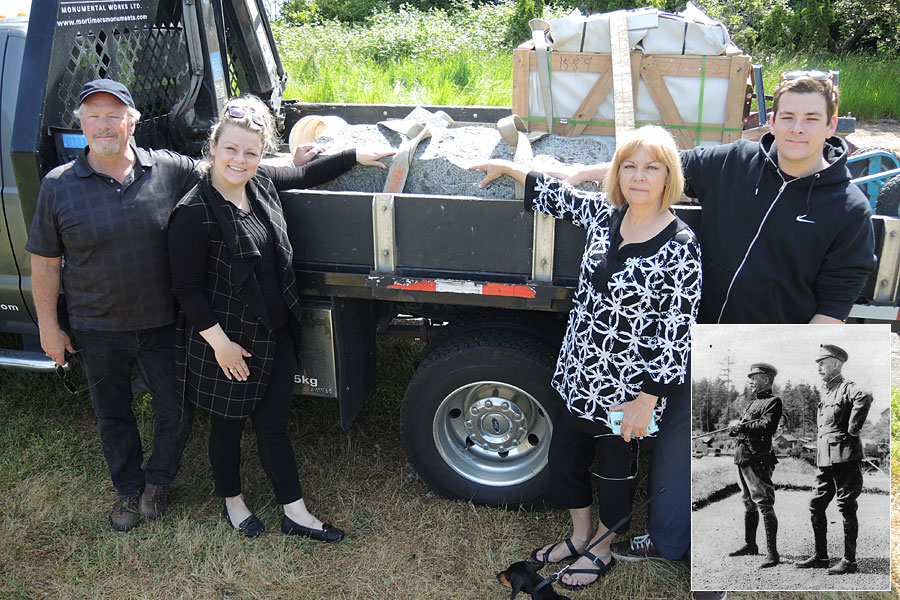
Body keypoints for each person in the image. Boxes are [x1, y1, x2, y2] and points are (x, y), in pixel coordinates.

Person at [546, 72, 876, 565]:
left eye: (811, 119)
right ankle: (675, 543)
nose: (797, 129)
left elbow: (833, 308)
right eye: (787, 116)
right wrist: (585, 174)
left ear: (832, 126)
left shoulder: (847, 209)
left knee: (752, 470)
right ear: (771, 119)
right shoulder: (734, 163)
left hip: (754, 350)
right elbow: (658, 165)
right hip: (690, 347)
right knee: (678, 473)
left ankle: (739, 561)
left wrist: (785, 370)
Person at [26, 79, 330, 532]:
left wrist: (289, 159)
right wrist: (50, 328)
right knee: (114, 413)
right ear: (82, 124)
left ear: (132, 122)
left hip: (163, 324)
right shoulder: (58, 185)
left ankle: (159, 482)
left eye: (114, 116)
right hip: (97, 326)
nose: (104, 125)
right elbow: (46, 264)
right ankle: (129, 491)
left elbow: (231, 163)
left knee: (176, 410)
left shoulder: (166, 168)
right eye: (94, 116)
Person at [471, 125, 701, 590]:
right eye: (630, 166)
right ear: (617, 173)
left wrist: (647, 400)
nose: (639, 177)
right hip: (579, 375)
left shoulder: (681, 247)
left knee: (615, 472)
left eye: (651, 167)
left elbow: (677, 335)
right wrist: (511, 168)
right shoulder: (605, 215)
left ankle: (603, 548)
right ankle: (579, 535)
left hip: (629, 392)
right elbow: (554, 195)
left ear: (668, 176)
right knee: (566, 460)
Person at [168, 95, 393, 540]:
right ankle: (232, 502)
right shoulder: (193, 214)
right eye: (231, 149)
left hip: (275, 333)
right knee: (228, 427)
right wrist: (221, 345)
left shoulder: (260, 183)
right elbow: (186, 290)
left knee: (273, 426)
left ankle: (295, 513)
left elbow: (305, 173)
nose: (240, 159)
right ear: (213, 145)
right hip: (228, 342)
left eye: (251, 152)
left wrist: (356, 155)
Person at [797, 343, 873, 574]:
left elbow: (866, 395)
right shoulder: (826, 391)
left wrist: (853, 428)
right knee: (816, 504)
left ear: (836, 364)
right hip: (826, 459)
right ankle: (821, 557)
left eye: (823, 363)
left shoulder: (847, 387)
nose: (819, 367)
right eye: (818, 363)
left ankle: (849, 561)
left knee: (846, 506)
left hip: (846, 456)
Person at [727, 363, 783, 568]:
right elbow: (744, 428)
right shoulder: (751, 404)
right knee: (748, 502)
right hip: (743, 457)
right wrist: (734, 429)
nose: (750, 381)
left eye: (754, 377)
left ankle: (772, 554)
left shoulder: (773, 402)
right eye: (750, 377)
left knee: (764, 503)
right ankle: (750, 545)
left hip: (758, 459)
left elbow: (766, 426)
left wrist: (740, 426)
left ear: (766, 379)